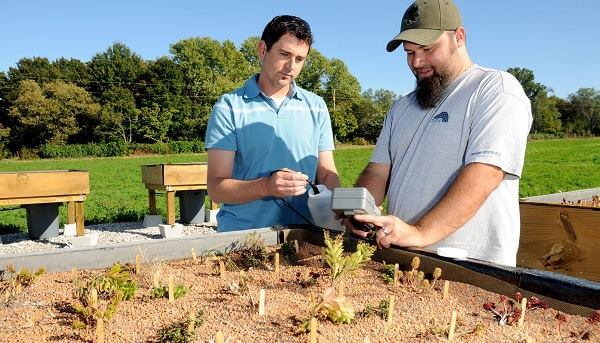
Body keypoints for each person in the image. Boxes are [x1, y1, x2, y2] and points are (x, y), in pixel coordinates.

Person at [346, 0, 532, 266]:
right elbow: (377, 171)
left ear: (458, 37)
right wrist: (360, 211)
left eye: (428, 48)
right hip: (404, 259)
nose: (417, 62)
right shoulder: (402, 107)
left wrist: (420, 233)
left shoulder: (495, 89)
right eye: (409, 52)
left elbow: (486, 173)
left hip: (473, 268)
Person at [205, 15, 340, 232]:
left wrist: (338, 207)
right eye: (284, 54)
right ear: (262, 50)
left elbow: (327, 174)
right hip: (242, 236)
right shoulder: (229, 107)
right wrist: (266, 186)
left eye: (300, 59)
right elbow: (216, 188)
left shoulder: (316, 106)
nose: (291, 67)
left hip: (305, 237)